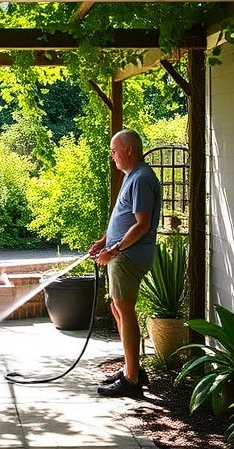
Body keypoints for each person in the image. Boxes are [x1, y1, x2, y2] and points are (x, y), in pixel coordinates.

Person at [89, 129, 162, 397]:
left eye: (115, 151)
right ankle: (132, 368)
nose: (113, 157)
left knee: (124, 309)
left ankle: (131, 379)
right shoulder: (131, 177)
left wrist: (115, 250)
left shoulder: (142, 179)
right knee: (118, 309)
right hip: (120, 253)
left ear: (129, 150)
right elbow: (124, 218)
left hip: (129, 256)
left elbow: (142, 225)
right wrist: (103, 242)